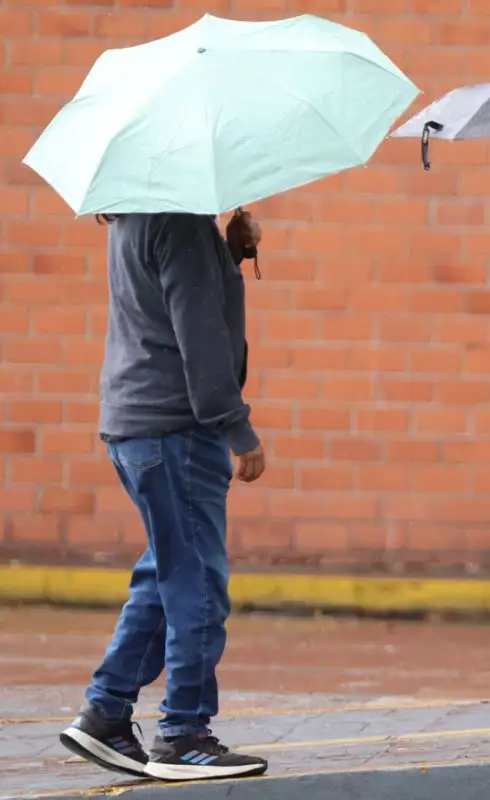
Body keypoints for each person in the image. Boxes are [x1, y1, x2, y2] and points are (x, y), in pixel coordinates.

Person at [59, 210, 269, 782]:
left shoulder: (140, 217)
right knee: (197, 583)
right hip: (175, 431)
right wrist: (237, 427)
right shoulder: (177, 222)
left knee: (166, 574)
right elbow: (198, 337)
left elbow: (175, 304)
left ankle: (106, 711)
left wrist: (227, 255)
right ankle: (183, 735)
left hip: (139, 426)